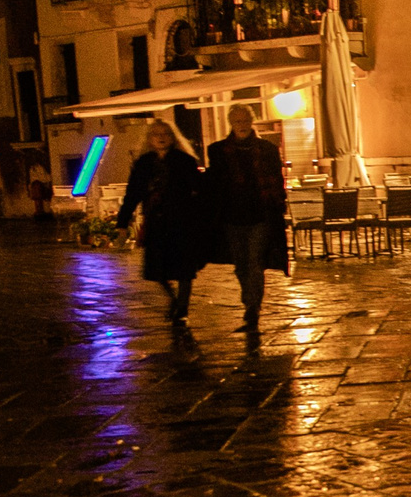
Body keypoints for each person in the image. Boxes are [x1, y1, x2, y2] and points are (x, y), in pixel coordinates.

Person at [114, 121, 209, 325]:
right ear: (150, 139)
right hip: (156, 222)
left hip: (181, 222)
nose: (161, 137)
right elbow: (132, 194)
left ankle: (182, 308)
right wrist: (122, 222)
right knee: (156, 269)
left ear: (173, 137)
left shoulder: (184, 161)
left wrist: (198, 216)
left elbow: (199, 190)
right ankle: (174, 299)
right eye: (156, 134)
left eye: (165, 133)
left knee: (184, 269)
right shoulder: (143, 164)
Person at [204, 105, 287, 333]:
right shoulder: (219, 151)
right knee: (241, 265)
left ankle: (253, 307)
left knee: (255, 262)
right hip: (232, 217)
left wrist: (278, 204)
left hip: (260, 215)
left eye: (245, 121)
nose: (241, 125)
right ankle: (249, 300)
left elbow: (277, 180)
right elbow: (214, 183)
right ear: (231, 123)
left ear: (251, 122)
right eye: (237, 121)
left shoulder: (267, 149)